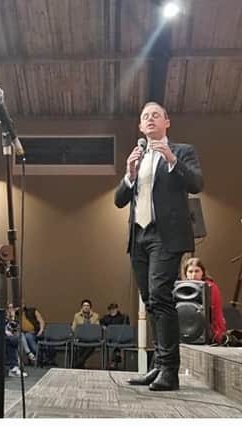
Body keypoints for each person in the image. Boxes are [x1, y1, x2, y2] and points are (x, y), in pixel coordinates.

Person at [115, 101, 203, 391]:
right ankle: (158, 366)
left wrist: (172, 161)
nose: (150, 119)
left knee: (160, 295)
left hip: (166, 236)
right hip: (138, 237)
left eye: (156, 115)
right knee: (150, 300)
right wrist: (129, 174)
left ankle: (170, 370)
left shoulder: (181, 151)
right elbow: (119, 200)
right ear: (140, 127)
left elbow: (197, 184)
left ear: (167, 122)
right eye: (145, 117)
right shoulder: (137, 157)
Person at [181, 257, 227, 344]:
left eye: (197, 271)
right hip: (187, 329)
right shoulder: (181, 288)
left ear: (202, 272)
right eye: (190, 272)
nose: (193, 274)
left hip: (209, 330)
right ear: (186, 273)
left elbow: (214, 312)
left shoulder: (211, 287)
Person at [71, 299, 99, 368]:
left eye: (88, 305)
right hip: (81, 337)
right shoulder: (77, 316)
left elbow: (97, 328)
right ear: (82, 307)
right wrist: (75, 336)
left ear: (90, 307)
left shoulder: (96, 316)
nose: (86, 307)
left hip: (92, 337)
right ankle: (80, 363)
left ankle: (78, 363)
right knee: (81, 345)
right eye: (84, 305)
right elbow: (74, 328)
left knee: (92, 345)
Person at [100, 303, 130, 369]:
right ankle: (115, 359)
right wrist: (104, 327)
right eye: (111, 309)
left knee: (116, 343)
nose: (112, 310)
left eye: (114, 309)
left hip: (121, 337)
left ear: (117, 309)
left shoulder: (123, 317)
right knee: (113, 343)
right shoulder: (106, 318)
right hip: (110, 338)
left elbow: (127, 327)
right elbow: (101, 323)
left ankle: (114, 361)